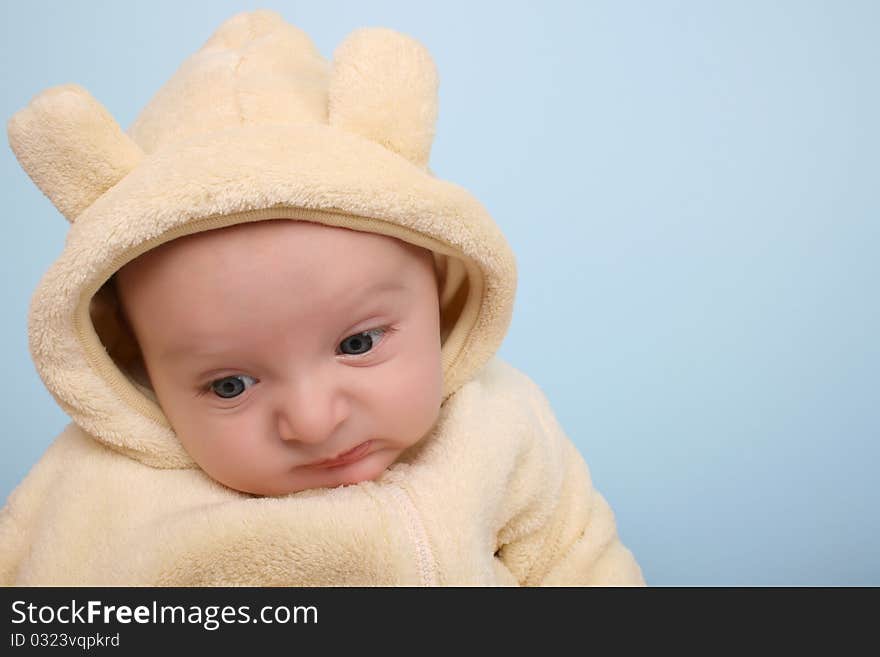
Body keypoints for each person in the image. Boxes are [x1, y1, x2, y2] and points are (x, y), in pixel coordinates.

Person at [1, 9, 644, 586]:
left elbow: (579, 560)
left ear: (441, 292)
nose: (312, 422)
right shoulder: (95, 494)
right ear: (135, 364)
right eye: (230, 385)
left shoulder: (500, 424)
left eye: (358, 343)